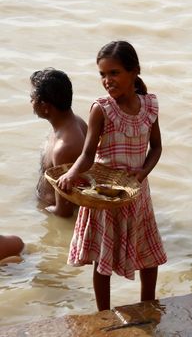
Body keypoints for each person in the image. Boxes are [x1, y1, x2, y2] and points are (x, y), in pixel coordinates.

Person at [56, 40, 167, 311]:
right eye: (103, 75)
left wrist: (142, 173)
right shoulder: (102, 109)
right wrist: (70, 174)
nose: (107, 80)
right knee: (102, 259)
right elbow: (87, 155)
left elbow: (157, 147)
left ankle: (147, 305)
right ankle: (103, 313)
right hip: (105, 194)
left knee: (148, 256)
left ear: (134, 72)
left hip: (137, 194)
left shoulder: (149, 106)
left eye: (114, 73)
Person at [31, 68, 87, 218]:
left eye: (33, 97)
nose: (31, 101)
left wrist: (36, 213)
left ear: (45, 106)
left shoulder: (65, 148)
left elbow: (64, 211)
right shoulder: (74, 122)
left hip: (52, 214)